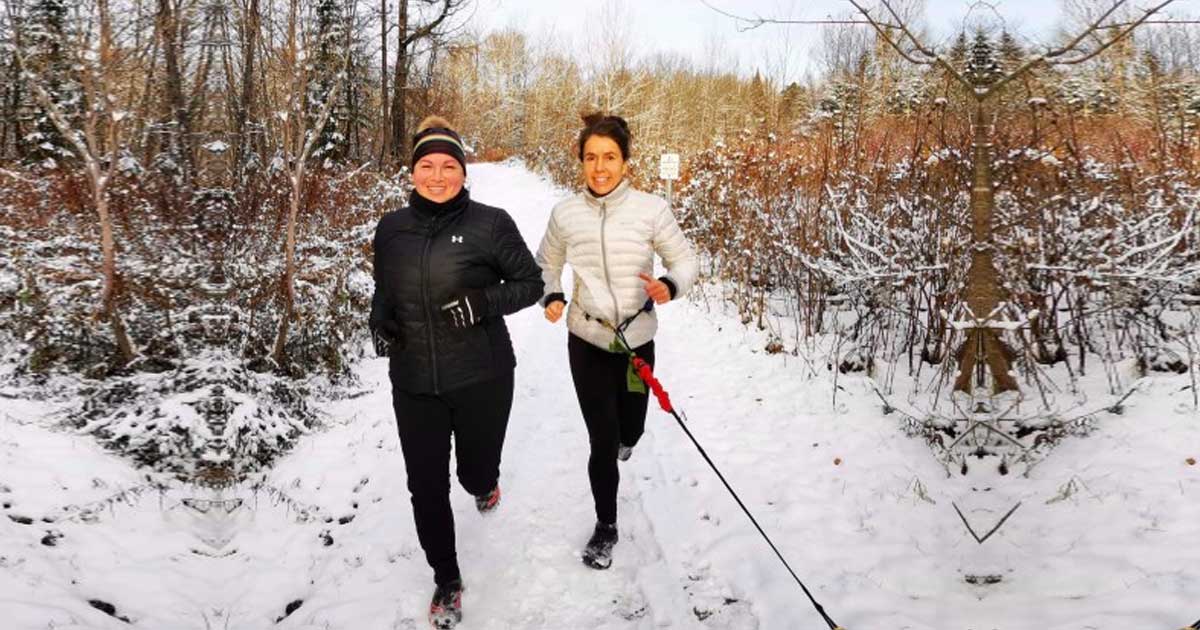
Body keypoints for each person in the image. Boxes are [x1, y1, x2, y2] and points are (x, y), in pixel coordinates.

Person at [369, 115, 543, 629]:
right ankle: (446, 579)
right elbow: (385, 289)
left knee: (473, 472)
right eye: (427, 165)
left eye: (449, 165)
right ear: (412, 172)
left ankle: (485, 483)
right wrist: (380, 322)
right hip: (415, 381)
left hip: (482, 377)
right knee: (425, 485)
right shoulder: (391, 229)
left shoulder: (491, 223)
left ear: (464, 173)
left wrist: (481, 302)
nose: (438, 175)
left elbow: (530, 284)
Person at [535, 113, 699, 570]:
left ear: (626, 161)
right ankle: (606, 525)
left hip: (636, 344)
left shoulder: (651, 210)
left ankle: (629, 435)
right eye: (590, 157)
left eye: (609, 157)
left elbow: (686, 260)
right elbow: (545, 262)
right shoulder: (565, 214)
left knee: (632, 429)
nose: (599, 167)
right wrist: (551, 293)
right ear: (581, 162)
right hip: (586, 338)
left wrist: (670, 284)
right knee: (602, 442)